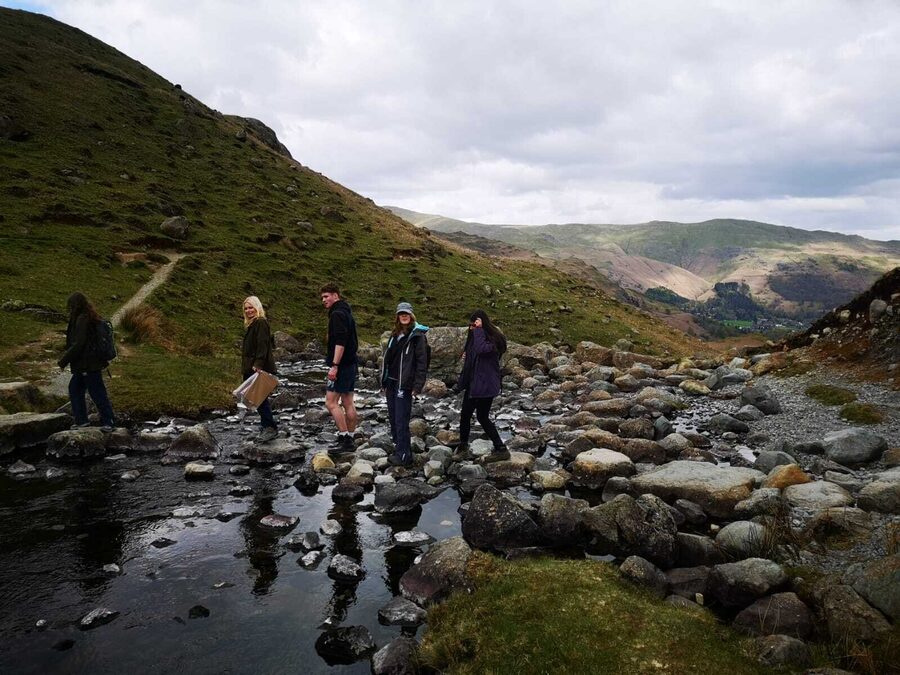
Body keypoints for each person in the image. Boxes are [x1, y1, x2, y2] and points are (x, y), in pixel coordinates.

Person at [453, 309, 510, 463]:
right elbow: (470, 363)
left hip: (485, 385)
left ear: (482, 322)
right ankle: (464, 446)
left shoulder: (493, 339)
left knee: (482, 417)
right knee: (466, 415)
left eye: (475, 324)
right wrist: (461, 384)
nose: (472, 328)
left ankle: (501, 448)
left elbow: (481, 350)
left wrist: (478, 331)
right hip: (474, 384)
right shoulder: (475, 338)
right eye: (471, 326)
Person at [57, 292, 115, 431]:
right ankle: (82, 421)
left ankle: (109, 422)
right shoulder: (88, 316)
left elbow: (79, 343)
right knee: (76, 389)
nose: (69, 308)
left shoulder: (82, 319)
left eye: (70, 305)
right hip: (87, 364)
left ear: (74, 305)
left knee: (96, 392)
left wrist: (64, 360)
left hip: (87, 365)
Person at [381, 302, 429, 467]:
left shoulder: (418, 336)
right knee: (393, 418)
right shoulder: (394, 335)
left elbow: (422, 362)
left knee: (402, 419)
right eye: (401, 313)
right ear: (397, 316)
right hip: (391, 382)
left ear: (411, 315)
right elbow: (388, 360)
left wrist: (417, 386)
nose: (404, 316)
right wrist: (383, 381)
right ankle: (399, 448)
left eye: (406, 313)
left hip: (404, 384)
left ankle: (404, 456)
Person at [320, 283, 359, 452]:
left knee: (331, 402)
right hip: (351, 363)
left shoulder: (337, 314)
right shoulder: (346, 312)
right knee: (348, 402)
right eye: (322, 297)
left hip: (342, 365)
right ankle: (350, 437)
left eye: (326, 296)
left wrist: (334, 365)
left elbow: (340, 342)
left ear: (336, 295)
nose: (323, 300)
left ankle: (344, 438)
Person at [241, 295, 278, 443]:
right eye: (246, 308)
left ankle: (270, 428)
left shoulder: (261, 323)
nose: (249, 310)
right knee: (257, 398)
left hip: (258, 367)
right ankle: (265, 425)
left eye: (251, 307)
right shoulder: (252, 324)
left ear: (257, 307)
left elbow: (263, 345)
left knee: (260, 398)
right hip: (252, 366)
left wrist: (258, 365)